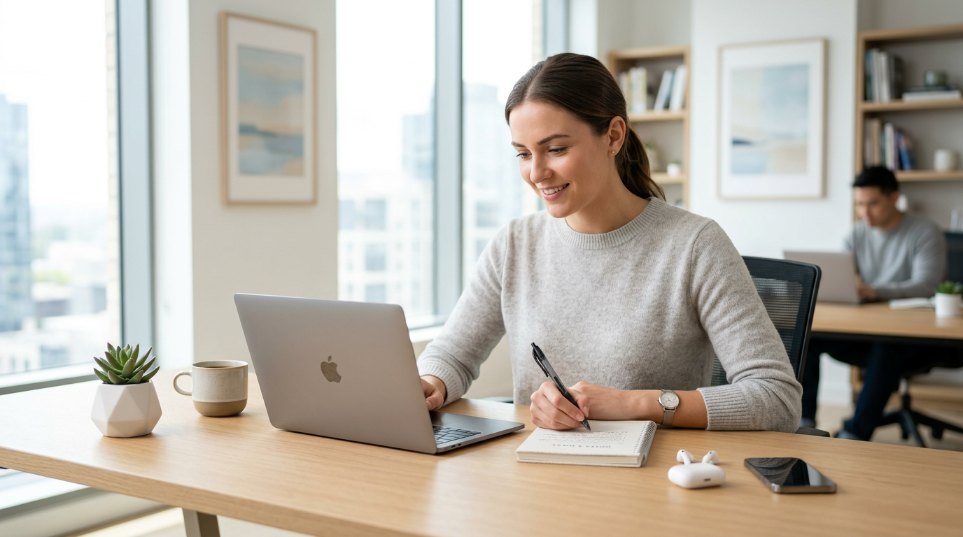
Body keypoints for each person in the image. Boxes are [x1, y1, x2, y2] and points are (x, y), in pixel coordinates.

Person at [416, 52, 801, 432]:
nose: (536, 173)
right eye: (523, 154)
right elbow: (452, 355)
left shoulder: (695, 245)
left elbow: (776, 398)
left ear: (613, 136)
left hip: (653, 481)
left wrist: (634, 404)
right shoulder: (515, 244)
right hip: (538, 479)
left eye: (556, 149)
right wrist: (431, 385)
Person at [801, 166, 948, 440]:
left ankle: (856, 433)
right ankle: (803, 419)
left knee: (886, 346)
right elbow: (841, 274)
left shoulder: (925, 232)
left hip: (913, 338)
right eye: (859, 205)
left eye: (873, 204)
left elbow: (927, 285)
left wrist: (873, 291)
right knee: (809, 337)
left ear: (894, 198)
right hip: (866, 333)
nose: (864, 213)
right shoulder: (857, 233)